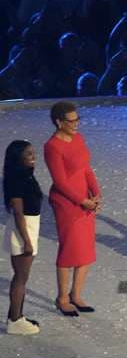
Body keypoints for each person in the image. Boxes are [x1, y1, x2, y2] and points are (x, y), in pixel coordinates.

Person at [44, 101, 102, 317]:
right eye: (72, 120)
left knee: (85, 249)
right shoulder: (53, 146)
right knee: (70, 250)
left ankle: (76, 295)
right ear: (59, 122)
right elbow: (60, 181)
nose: (77, 123)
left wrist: (95, 194)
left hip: (85, 200)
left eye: (78, 119)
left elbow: (86, 168)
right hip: (67, 204)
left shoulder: (78, 138)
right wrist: (81, 201)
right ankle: (62, 298)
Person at [3, 140, 43, 335]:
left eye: (32, 152)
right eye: (28, 154)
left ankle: (17, 315)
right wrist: (27, 240)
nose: (33, 156)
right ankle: (15, 320)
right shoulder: (17, 178)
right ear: (18, 157)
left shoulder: (24, 175)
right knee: (21, 277)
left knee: (22, 277)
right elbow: (19, 213)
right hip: (23, 228)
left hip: (29, 226)